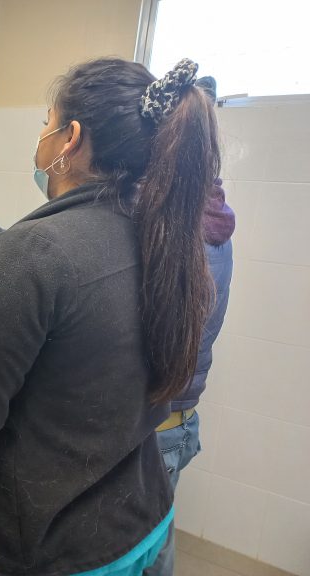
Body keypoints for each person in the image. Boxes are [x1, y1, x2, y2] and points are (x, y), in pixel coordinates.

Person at [0, 57, 220, 576]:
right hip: (143, 524)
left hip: (46, 553)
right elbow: (62, 284)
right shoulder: (167, 240)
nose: (40, 136)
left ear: (69, 140)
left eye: (46, 122)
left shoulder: (30, 257)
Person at [144, 75, 235, 576]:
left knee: (144, 554)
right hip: (175, 424)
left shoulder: (179, 231)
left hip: (156, 428)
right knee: (154, 545)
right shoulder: (212, 213)